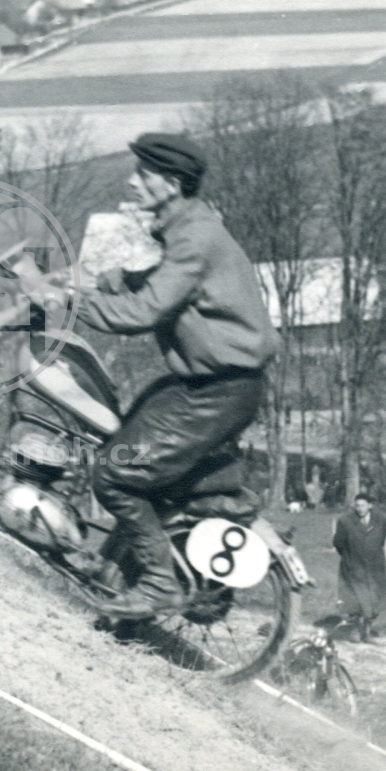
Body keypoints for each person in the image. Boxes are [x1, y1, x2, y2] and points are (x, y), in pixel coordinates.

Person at [70, 132, 282, 619]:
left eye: (143, 174)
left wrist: (70, 302)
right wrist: (112, 280)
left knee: (115, 474)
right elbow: (175, 287)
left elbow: (145, 311)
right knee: (118, 436)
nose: (133, 182)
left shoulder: (195, 236)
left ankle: (159, 584)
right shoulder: (189, 227)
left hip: (216, 391)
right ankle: (109, 564)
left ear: (171, 182)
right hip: (206, 384)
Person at [333, 492, 386, 643]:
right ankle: (356, 631)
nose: (360, 509)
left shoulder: (381, 520)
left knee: (374, 597)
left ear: (370, 506)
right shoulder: (345, 521)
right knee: (355, 598)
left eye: (363, 505)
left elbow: (381, 540)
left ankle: (367, 631)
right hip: (353, 565)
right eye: (357, 506)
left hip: (374, 566)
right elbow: (338, 543)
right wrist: (350, 556)